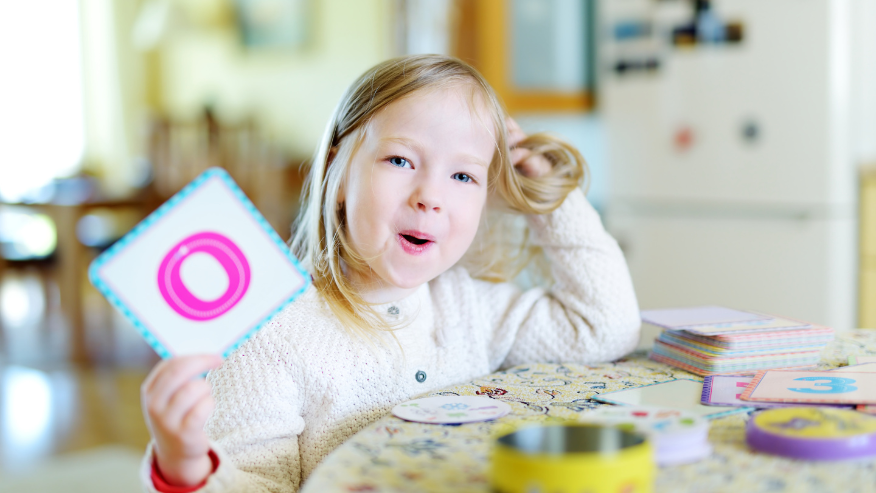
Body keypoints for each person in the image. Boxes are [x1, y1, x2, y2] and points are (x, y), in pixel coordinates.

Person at [139, 54, 641, 493]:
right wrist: (184, 469)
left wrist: (552, 198)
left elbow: (604, 326)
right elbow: (252, 483)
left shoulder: (470, 307)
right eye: (400, 159)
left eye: (463, 175)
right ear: (337, 175)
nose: (430, 194)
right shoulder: (269, 331)